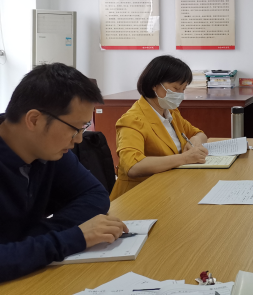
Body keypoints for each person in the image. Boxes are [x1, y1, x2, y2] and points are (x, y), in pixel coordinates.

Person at [0, 63, 129, 282]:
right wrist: (72, 238)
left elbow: (95, 195)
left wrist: (34, 239)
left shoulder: (47, 151)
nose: (78, 139)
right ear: (34, 120)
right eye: (75, 128)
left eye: (84, 128)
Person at [110, 55, 209, 200]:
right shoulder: (132, 120)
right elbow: (133, 166)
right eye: (176, 88)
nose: (180, 95)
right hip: (138, 196)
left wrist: (195, 141)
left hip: (170, 188)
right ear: (155, 84)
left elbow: (200, 134)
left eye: (183, 89)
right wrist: (184, 158)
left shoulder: (171, 113)